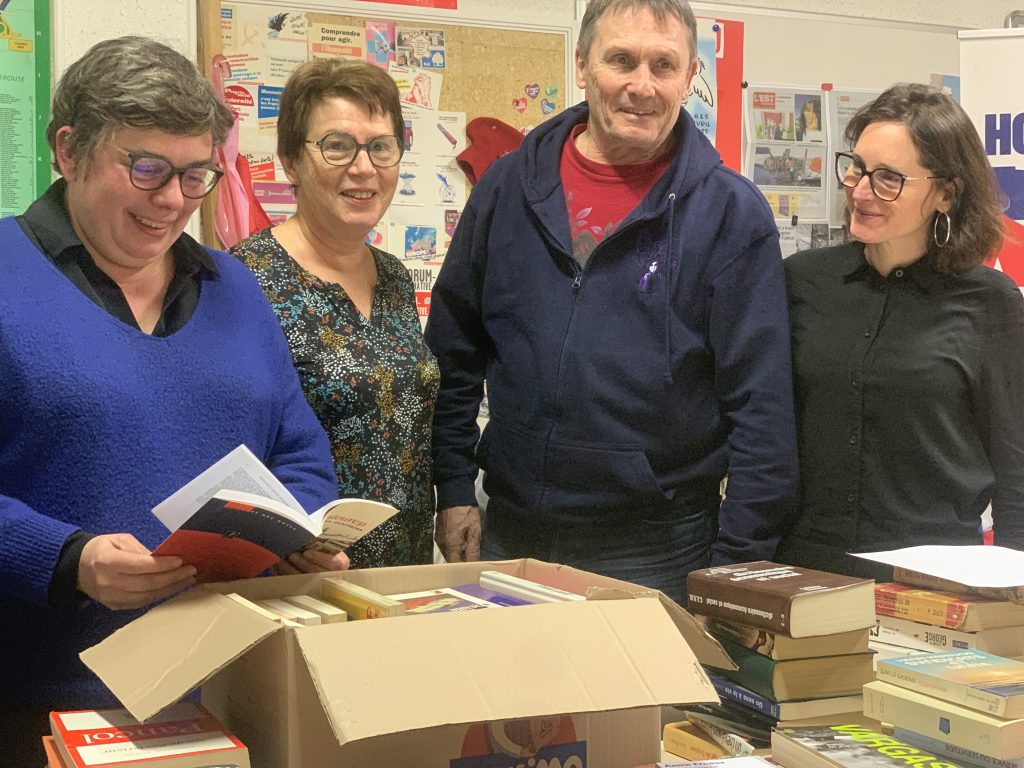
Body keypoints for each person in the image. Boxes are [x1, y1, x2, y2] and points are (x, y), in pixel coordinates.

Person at [0, 36, 348, 763]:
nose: (173, 203)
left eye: (197, 176)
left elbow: (300, 450)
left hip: (229, 682)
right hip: (39, 698)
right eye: (148, 169)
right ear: (68, 150)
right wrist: (69, 561)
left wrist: (295, 533)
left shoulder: (237, 290)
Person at [426, 0, 799, 604]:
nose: (641, 86)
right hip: (510, 534)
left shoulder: (729, 215)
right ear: (582, 65)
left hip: (659, 551)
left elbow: (762, 410)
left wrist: (731, 571)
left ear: (687, 78)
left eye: (663, 65)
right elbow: (453, 352)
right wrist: (453, 487)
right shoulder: (508, 188)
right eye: (620, 60)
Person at [777, 83, 1024, 579]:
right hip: (806, 571)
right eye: (857, 168)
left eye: (889, 178)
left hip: (935, 580)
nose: (861, 191)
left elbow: (1017, 472)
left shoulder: (990, 301)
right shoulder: (802, 280)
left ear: (945, 192)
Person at [231, 59, 439, 569]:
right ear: (290, 161)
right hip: (298, 578)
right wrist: (271, 548)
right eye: (337, 146)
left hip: (402, 574)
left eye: (381, 147)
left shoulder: (391, 276)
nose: (364, 168)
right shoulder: (241, 279)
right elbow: (218, 447)